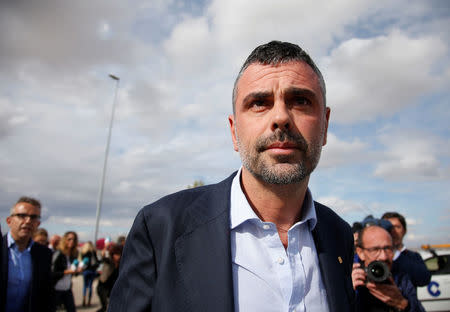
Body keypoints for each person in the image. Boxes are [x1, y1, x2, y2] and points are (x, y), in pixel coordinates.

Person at [108, 40, 355, 312]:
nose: (281, 117)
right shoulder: (160, 227)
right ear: (234, 130)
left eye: (300, 101)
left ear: (326, 125)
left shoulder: (339, 234)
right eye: (260, 102)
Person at [352, 225, 425, 311]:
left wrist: (403, 304)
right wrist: (347, 293)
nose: (383, 256)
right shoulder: (349, 279)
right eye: (375, 249)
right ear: (361, 253)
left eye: (388, 248)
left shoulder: (401, 279)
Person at [1, 196, 52, 312]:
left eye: (33, 217)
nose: (28, 221)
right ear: (9, 221)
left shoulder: (44, 254)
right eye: (22, 216)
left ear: (38, 224)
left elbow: (46, 294)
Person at [382, 212, 431, 288]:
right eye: (389, 227)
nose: (393, 231)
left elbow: (424, 280)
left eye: (397, 227)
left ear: (404, 231)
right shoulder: (374, 255)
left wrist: (398, 254)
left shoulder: (413, 257)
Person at [51, 231, 79, 312]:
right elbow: (52, 273)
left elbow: (73, 272)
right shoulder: (58, 253)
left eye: (74, 239)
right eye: (69, 239)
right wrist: (67, 272)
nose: (72, 242)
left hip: (67, 288)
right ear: (64, 240)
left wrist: (77, 271)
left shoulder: (73, 254)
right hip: (56, 288)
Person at [97, 244, 123, 312]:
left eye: (119, 254)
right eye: (116, 254)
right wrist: (106, 246)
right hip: (103, 286)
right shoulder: (109, 261)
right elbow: (102, 256)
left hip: (112, 289)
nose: (117, 256)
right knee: (105, 307)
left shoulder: (122, 264)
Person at [80, 241, 99, 307]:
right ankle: (89, 301)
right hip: (92, 270)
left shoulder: (83, 252)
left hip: (85, 270)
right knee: (90, 286)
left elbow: (82, 262)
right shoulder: (93, 252)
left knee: (85, 286)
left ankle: (84, 299)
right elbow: (97, 261)